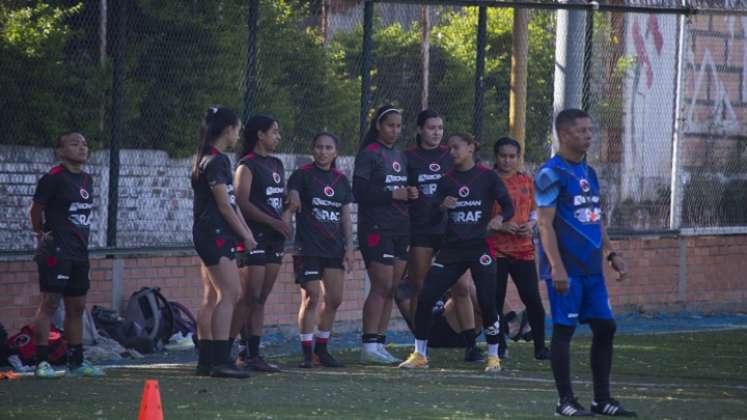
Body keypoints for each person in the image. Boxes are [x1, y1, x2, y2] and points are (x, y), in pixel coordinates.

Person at [536, 109, 636, 417]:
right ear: (564, 134)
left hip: (592, 270)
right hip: (567, 270)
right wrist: (556, 266)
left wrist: (610, 253)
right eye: (582, 131)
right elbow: (544, 224)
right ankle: (565, 401)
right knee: (564, 331)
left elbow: (595, 218)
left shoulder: (589, 173)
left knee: (606, 327)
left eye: (590, 130)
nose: (589, 135)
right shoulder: (550, 173)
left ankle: (601, 400)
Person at [399, 133, 513, 372]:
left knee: (486, 300)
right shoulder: (446, 180)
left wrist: (499, 219)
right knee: (427, 295)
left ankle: (493, 356)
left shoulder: (487, 177)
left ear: (471, 148)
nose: (451, 152)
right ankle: (420, 354)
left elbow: (508, 206)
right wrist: (441, 207)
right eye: (449, 149)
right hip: (452, 249)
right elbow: (432, 217)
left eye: (456, 148)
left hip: (480, 247)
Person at [30, 132, 104, 378]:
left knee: (78, 307)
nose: (82, 147)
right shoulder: (53, 178)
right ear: (61, 151)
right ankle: (41, 363)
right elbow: (36, 209)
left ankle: (76, 362)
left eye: (84, 143)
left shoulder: (86, 179)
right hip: (56, 252)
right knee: (49, 303)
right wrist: (41, 233)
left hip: (79, 253)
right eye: (74, 144)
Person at [191, 107, 256, 378]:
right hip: (214, 233)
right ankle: (220, 360)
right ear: (228, 130)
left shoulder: (211, 158)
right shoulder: (215, 161)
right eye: (237, 129)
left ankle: (206, 361)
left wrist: (244, 230)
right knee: (231, 294)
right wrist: (245, 235)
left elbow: (231, 202)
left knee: (212, 297)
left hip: (213, 233)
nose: (238, 134)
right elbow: (224, 206)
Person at [354, 105, 418, 364]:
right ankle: (368, 344)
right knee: (380, 285)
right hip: (376, 228)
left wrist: (410, 194)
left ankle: (379, 343)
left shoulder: (400, 156)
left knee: (392, 288)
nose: (395, 130)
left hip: (401, 228)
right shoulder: (369, 154)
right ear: (378, 126)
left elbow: (401, 189)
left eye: (399, 126)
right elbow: (359, 192)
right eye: (390, 125)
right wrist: (393, 194)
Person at [286, 132, 354, 368]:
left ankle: (322, 350)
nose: (323, 152)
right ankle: (306, 353)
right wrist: (292, 199)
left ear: (335, 152)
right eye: (319, 147)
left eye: (328, 148)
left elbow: (345, 216)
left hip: (334, 249)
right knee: (312, 297)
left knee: (334, 299)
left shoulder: (341, 180)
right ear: (312, 150)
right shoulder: (301, 175)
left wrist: (350, 247)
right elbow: (292, 196)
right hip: (308, 248)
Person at [233, 114, 292, 372]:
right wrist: (272, 221)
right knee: (249, 297)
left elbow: (279, 199)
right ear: (260, 134)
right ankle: (226, 349)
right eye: (274, 132)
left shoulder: (277, 164)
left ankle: (252, 353)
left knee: (260, 299)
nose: (278, 137)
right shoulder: (246, 165)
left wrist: (288, 212)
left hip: (274, 239)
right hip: (253, 236)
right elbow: (242, 203)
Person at [489, 137, 550, 361]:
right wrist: (501, 225)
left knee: (532, 298)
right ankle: (500, 345)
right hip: (495, 248)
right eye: (503, 156)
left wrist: (531, 225)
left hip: (523, 248)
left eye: (512, 156)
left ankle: (541, 347)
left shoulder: (526, 181)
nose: (507, 160)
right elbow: (480, 216)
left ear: (518, 158)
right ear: (496, 156)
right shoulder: (487, 181)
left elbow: (536, 210)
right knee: (495, 299)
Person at [404, 110, 453, 322]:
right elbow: (397, 186)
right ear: (420, 130)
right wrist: (407, 191)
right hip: (421, 228)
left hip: (449, 229)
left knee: (460, 285)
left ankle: (468, 338)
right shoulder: (408, 157)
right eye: (431, 128)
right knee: (419, 285)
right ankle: (419, 341)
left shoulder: (450, 155)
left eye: (440, 128)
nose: (436, 133)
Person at [395, 274, 484, 362]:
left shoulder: (447, 270)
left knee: (470, 285)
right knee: (465, 287)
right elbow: (413, 316)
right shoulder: (409, 281)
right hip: (434, 330)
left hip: (462, 328)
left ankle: (478, 344)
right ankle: (420, 348)